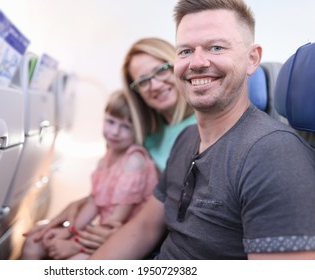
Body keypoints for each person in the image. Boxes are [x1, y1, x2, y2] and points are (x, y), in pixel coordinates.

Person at [89, 0, 315, 260]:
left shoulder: (274, 155)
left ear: (252, 59)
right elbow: (143, 229)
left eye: (216, 47)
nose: (196, 62)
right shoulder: (186, 139)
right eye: (185, 51)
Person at [20, 37, 197, 255]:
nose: (155, 85)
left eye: (161, 70)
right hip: (125, 222)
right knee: (35, 241)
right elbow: (127, 189)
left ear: (176, 65)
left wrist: (110, 235)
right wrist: (76, 206)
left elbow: (175, 208)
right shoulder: (146, 133)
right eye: (143, 81)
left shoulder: (201, 125)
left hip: (156, 231)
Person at [20, 90, 159, 259]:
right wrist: (68, 231)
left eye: (125, 127)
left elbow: (115, 220)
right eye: (110, 122)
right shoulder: (107, 157)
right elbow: (93, 202)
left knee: (75, 261)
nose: (114, 132)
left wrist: (73, 244)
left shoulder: (134, 161)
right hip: (100, 231)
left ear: (138, 130)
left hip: (120, 236)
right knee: (34, 242)